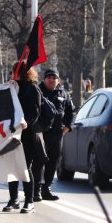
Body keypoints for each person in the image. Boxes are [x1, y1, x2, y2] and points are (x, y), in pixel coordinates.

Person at [4, 60, 46, 214]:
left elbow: (35, 112)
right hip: (12, 133)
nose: (14, 73)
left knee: (25, 167)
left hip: (27, 133)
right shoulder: (12, 87)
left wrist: (26, 122)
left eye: (17, 70)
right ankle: (13, 199)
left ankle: (29, 201)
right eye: (14, 70)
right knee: (12, 166)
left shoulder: (32, 88)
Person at [38, 69, 75, 201]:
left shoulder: (63, 93)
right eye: (49, 77)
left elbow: (71, 111)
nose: (52, 80)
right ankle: (36, 189)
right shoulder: (38, 91)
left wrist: (68, 126)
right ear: (44, 79)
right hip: (41, 133)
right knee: (39, 161)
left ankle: (46, 188)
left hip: (57, 133)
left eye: (54, 78)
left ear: (58, 80)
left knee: (53, 161)